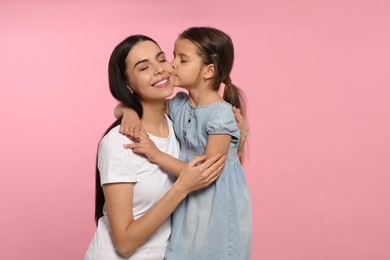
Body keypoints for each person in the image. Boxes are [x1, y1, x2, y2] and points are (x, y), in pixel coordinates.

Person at [84, 35, 227, 260]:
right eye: (144, 68)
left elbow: (213, 172)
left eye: (161, 59)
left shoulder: (180, 125)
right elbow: (124, 243)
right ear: (127, 84)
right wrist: (182, 187)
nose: (159, 69)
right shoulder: (120, 144)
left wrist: (238, 140)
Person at [117, 27, 252, 259]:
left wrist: (155, 154)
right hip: (188, 207)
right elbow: (131, 106)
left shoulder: (220, 114)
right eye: (173, 56)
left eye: (182, 59)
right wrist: (129, 111)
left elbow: (205, 174)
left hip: (216, 213)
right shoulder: (180, 104)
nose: (171, 65)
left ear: (208, 71)